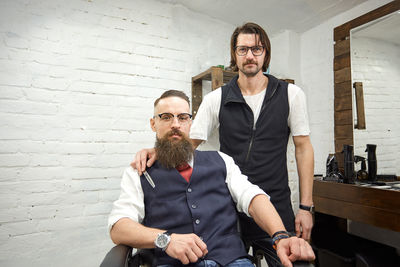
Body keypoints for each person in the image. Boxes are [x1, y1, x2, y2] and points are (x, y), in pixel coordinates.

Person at [132, 22, 315, 265]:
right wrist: (155, 150)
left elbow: (303, 148)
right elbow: (187, 141)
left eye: (257, 49)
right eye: (242, 50)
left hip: (274, 205)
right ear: (234, 55)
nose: (250, 55)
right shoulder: (216, 98)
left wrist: (305, 207)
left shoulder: (291, 94)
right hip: (230, 211)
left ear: (266, 53)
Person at [109, 90, 315, 267]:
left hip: (233, 261)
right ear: (153, 124)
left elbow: (253, 198)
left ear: (190, 122)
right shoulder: (139, 172)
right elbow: (119, 227)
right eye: (166, 117)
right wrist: (165, 239)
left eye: (182, 117)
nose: (175, 124)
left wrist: (280, 235)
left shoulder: (222, 161)